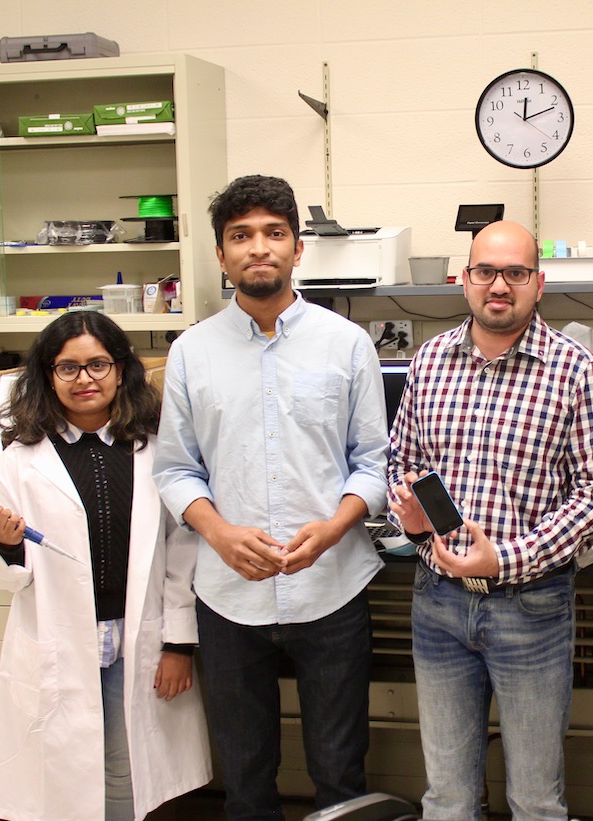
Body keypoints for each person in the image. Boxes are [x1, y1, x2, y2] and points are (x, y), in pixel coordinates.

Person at [153, 175, 389, 820]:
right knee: (246, 775)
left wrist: (337, 526)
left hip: (332, 589)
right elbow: (175, 470)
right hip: (229, 598)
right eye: (241, 236)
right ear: (222, 255)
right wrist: (221, 534)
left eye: (274, 233)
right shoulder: (190, 353)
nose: (259, 248)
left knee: (340, 770)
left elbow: (373, 463)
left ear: (297, 248)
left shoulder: (346, 344)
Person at [387, 220, 593, 820]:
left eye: (515, 273)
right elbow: (403, 461)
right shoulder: (430, 360)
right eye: (486, 271)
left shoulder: (575, 370)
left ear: (538, 284)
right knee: (447, 797)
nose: (499, 285)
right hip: (437, 602)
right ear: (464, 280)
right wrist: (412, 519)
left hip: (532, 608)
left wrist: (507, 559)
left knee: (537, 800)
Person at [0, 311, 211, 821]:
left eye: (98, 365)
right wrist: (8, 545)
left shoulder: (154, 448)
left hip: (137, 639)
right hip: (58, 643)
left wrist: (178, 644)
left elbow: (181, 551)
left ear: (121, 370)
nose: (85, 380)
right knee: (64, 781)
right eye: (68, 368)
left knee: (126, 773)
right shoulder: (19, 458)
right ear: (47, 375)